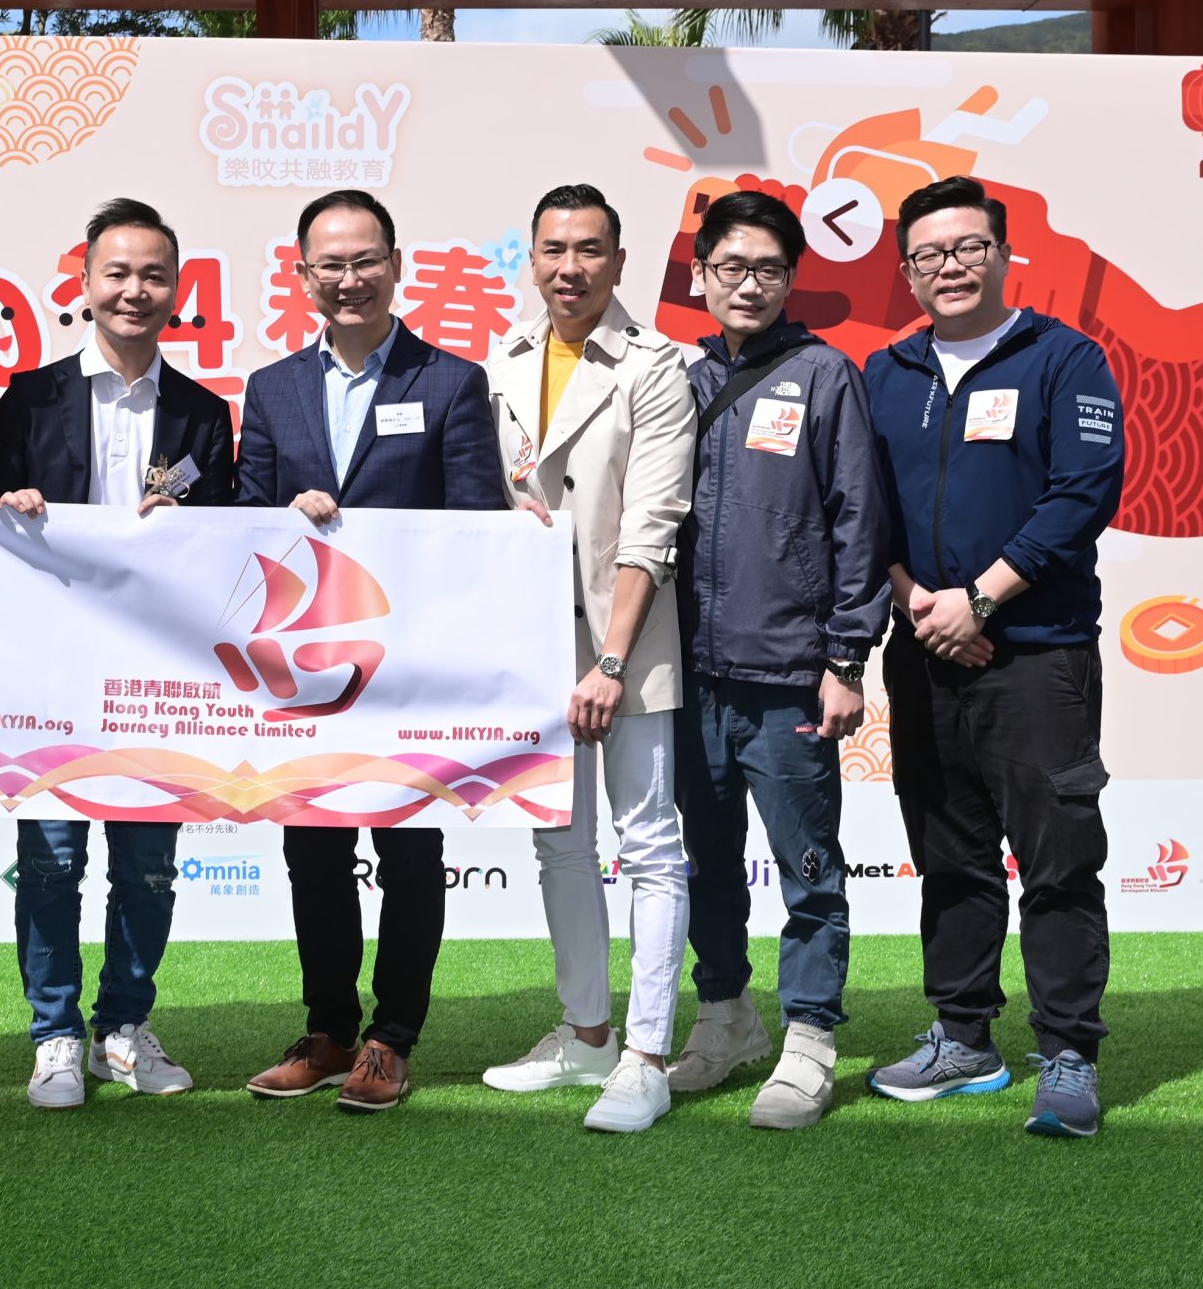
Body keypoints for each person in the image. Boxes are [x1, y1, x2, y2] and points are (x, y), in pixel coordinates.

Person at [861, 173, 1125, 1139]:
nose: (951, 266)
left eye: (969, 247)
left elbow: (1083, 492)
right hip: (922, 647)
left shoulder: (1064, 359)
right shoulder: (885, 373)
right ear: (907, 272)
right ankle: (964, 1035)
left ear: (1005, 256)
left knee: (1058, 860)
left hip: (1038, 656)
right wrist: (918, 602)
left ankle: (1068, 1053)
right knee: (949, 856)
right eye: (929, 254)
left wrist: (981, 599)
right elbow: (864, 506)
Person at [235, 188, 499, 1113]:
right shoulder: (271, 389)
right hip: (305, 666)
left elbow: (477, 525)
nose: (349, 280)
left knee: (410, 855)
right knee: (312, 851)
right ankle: (328, 1028)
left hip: (411, 670)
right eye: (330, 265)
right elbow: (243, 524)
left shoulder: (450, 381)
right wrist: (282, 515)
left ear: (396, 265)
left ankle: (392, 1037)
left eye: (365, 261)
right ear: (302, 275)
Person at [0, 198, 236, 1109]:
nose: (135, 291)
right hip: (51, 673)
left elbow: (227, 544)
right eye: (117, 273)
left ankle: (123, 1027)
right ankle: (54, 1034)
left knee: (148, 865)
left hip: (159, 676)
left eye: (153, 275)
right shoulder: (30, 398)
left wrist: (190, 527)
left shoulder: (204, 415)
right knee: (51, 859)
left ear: (177, 289)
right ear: (85, 284)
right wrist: (7, 505)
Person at [477, 182, 698, 1134]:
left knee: (648, 843)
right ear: (531, 257)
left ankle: (646, 1057)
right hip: (532, 643)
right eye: (554, 249)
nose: (571, 268)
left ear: (618, 259)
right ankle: (587, 1034)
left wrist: (610, 661)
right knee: (559, 842)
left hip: (629, 646)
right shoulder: (504, 357)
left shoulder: (656, 365)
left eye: (590, 249)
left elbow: (655, 522)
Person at [665, 190, 888, 1130]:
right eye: (730, 267)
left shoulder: (824, 375)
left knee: (808, 866)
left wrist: (846, 657)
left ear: (791, 277)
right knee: (705, 863)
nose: (748, 284)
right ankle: (725, 1015)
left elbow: (858, 520)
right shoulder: (677, 380)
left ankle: (810, 1036)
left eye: (766, 268)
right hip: (689, 676)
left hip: (789, 675)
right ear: (701, 276)